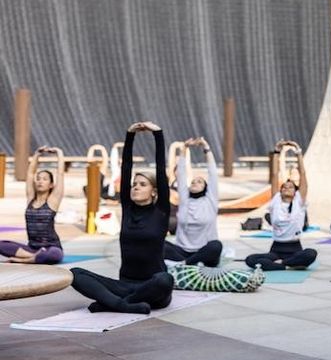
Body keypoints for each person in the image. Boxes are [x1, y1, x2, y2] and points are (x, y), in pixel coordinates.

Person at [70, 122, 174, 314]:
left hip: (153, 288)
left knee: (165, 280)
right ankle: (123, 305)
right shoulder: (127, 207)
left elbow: (161, 169)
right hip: (125, 285)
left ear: (154, 192)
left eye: (143, 184)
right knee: (75, 274)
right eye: (135, 184)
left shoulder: (161, 211)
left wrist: (158, 134)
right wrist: (130, 134)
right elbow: (125, 168)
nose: (135, 187)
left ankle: (112, 303)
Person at [246, 140, 318, 270]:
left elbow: (303, 174)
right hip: (276, 249)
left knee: (311, 254)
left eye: (290, 187)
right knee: (250, 260)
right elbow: (274, 175)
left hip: (295, 248)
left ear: (295, 191)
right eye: (284, 187)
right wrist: (277, 152)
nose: (287, 188)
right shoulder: (276, 200)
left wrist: (298, 151)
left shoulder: (299, 201)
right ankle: (286, 265)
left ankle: (281, 264)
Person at [0, 146, 66, 264]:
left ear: (51, 185)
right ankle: (34, 257)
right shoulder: (31, 198)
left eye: (45, 179)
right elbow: (30, 173)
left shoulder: (53, 201)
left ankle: (24, 259)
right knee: (1, 245)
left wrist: (59, 153)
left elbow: (60, 174)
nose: (40, 181)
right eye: (39, 179)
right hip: (32, 248)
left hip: (51, 246)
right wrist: (36, 154)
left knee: (54, 255)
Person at [163, 137, 222, 267]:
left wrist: (206, 147)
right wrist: (184, 148)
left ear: (206, 188)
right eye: (193, 181)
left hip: (204, 252)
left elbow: (212, 174)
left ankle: (184, 264)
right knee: (158, 243)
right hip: (182, 251)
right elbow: (181, 173)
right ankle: (190, 263)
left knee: (216, 246)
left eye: (199, 181)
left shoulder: (210, 201)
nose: (195, 182)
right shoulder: (185, 199)